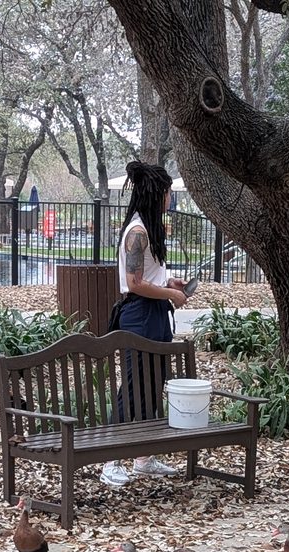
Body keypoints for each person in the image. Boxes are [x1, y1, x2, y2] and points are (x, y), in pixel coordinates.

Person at [100, 161, 188, 488]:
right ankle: (110, 460)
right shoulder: (137, 232)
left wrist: (169, 282)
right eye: (167, 192)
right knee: (134, 387)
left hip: (154, 313)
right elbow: (134, 283)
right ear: (157, 194)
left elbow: (148, 275)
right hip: (139, 314)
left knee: (153, 384)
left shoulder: (149, 228)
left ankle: (143, 457)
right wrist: (170, 294)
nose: (169, 198)